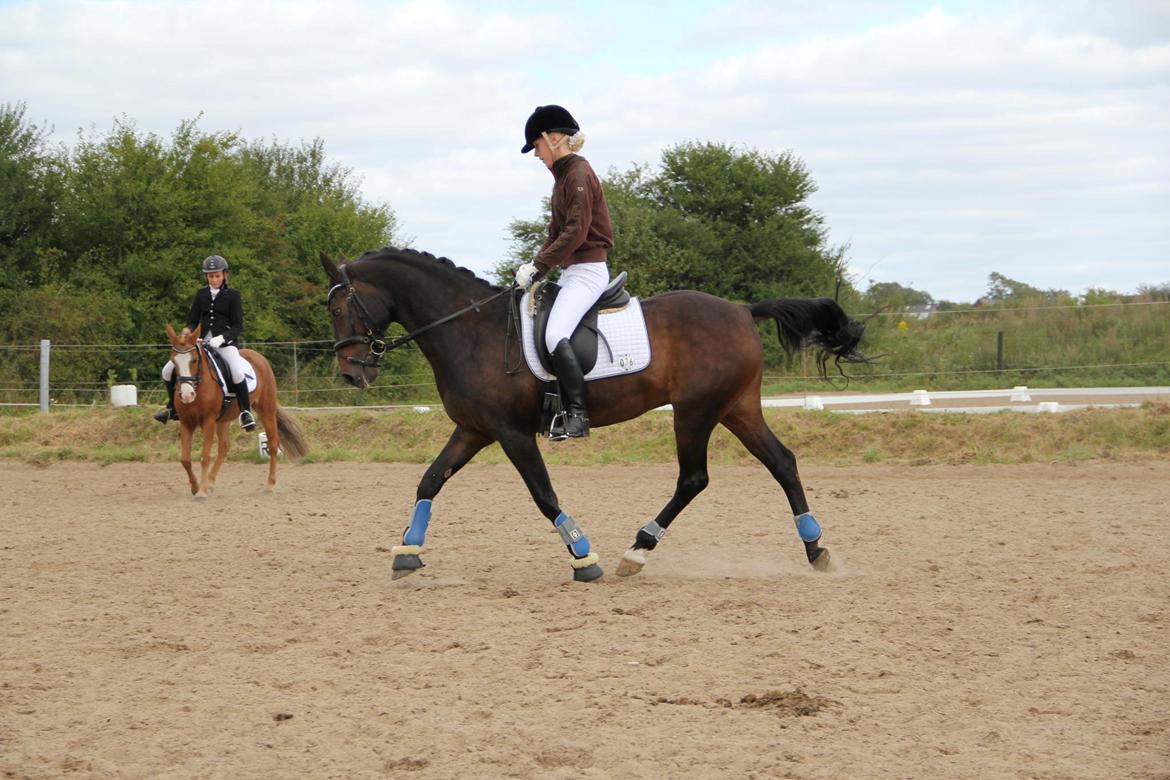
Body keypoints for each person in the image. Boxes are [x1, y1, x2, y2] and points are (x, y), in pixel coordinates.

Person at [514, 104, 615, 439]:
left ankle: (576, 415)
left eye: (537, 146)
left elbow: (576, 232)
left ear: (554, 138)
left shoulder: (578, 175)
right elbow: (555, 235)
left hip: (588, 270)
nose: (536, 154)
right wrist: (535, 268)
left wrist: (540, 265)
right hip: (572, 271)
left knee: (555, 334)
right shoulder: (563, 179)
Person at [154, 255, 256, 431]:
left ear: (224, 275)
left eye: (217, 275)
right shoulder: (201, 294)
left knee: (237, 372)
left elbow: (238, 326)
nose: (214, 279)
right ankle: (172, 407)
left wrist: (222, 338)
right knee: (167, 369)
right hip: (200, 343)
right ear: (206, 277)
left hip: (225, 344)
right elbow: (192, 320)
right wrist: (186, 332)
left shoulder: (233, 295)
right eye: (210, 276)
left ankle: (246, 412)